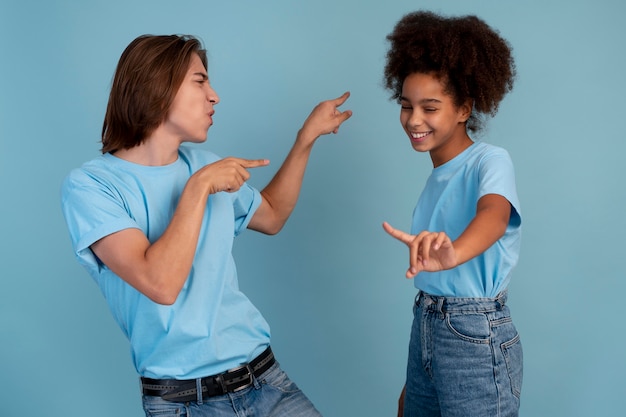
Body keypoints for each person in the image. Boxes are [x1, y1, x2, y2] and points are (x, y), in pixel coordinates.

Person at [60, 34, 351, 417]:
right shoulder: (91, 186)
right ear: (156, 86)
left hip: (265, 379)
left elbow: (273, 215)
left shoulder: (204, 164)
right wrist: (197, 188)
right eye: (200, 81)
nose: (214, 96)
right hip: (184, 403)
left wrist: (305, 138)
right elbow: (160, 283)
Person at [381, 11, 523, 417]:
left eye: (430, 107)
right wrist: (419, 373)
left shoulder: (489, 160)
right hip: (428, 323)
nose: (414, 120)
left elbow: (495, 216)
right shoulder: (436, 178)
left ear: (464, 108)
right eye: (407, 106)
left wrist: (455, 253)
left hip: (475, 333)